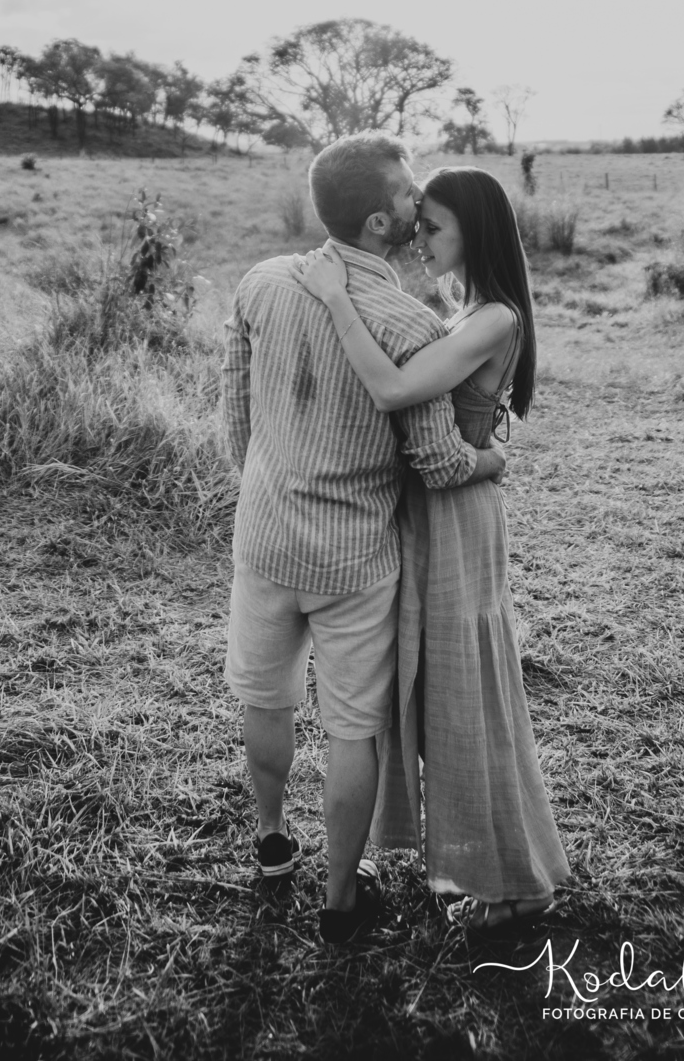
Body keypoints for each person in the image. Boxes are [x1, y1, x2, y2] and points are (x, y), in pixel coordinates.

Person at [221, 134, 506, 946]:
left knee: (266, 696)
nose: (424, 204)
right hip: (354, 560)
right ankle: (340, 898)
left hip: (266, 537)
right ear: (382, 223)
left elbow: (235, 423)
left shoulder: (261, 284)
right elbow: (441, 462)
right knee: (352, 728)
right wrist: (495, 457)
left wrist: (273, 482)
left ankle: (272, 839)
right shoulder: (412, 327)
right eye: (413, 194)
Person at [297, 165, 569, 934]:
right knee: (425, 686)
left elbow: (392, 390)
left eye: (436, 227)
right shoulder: (464, 308)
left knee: (464, 691)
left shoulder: (496, 319)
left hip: (456, 518)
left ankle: (511, 882)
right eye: (420, 224)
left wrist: (334, 299)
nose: (422, 238)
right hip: (426, 512)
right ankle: (463, 860)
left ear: (473, 232)